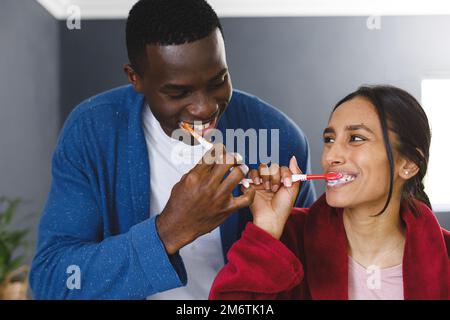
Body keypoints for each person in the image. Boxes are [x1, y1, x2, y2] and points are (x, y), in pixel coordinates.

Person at [29, 0, 315, 299]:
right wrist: (170, 231)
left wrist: (267, 231)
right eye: (178, 92)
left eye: (218, 81)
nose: (206, 108)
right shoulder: (91, 131)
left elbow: (313, 274)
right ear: (135, 78)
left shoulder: (278, 136)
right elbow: (53, 281)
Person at [210, 85, 450, 300]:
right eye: (329, 139)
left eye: (355, 138)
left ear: (408, 164)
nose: (330, 156)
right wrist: (266, 229)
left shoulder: (445, 255)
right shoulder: (288, 239)